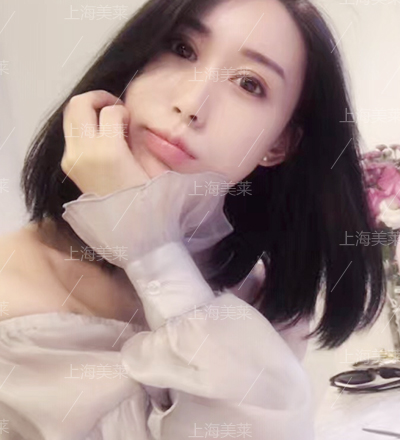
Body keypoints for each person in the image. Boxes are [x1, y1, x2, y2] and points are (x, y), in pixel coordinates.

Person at [0, 0, 386, 438]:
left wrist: (150, 250)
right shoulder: (13, 293)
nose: (191, 104)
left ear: (278, 144)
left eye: (248, 84)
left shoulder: (264, 302)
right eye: (181, 48)